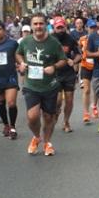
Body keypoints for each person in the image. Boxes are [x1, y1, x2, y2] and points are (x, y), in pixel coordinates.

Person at [16, 13, 67, 156]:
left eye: (41, 23)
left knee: (48, 117)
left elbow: (63, 59)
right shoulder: (26, 42)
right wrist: (21, 63)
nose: (38, 26)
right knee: (32, 117)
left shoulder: (53, 42)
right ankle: (37, 137)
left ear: (46, 25)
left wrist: (54, 67)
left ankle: (47, 142)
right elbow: (18, 54)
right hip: (31, 85)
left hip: (50, 86)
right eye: (35, 24)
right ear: (31, 26)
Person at [52, 17, 82, 133]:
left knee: (69, 100)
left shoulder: (70, 39)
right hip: (55, 74)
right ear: (54, 28)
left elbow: (79, 54)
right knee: (58, 101)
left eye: (62, 27)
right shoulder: (50, 39)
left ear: (65, 27)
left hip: (68, 73)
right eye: (58, 27)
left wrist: (73, 61)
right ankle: (56, 113)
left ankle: (66, 121)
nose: (60, 29)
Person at [79, 19, 98, 123]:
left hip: (97, 66)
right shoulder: (82, 39)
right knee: (86, 90)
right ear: (87, 28)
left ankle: (94, 105)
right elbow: (78, 51)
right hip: (85, 66)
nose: (93, 29)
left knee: (96, 89)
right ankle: (86, 113)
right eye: (91, 28)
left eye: (95, 27)